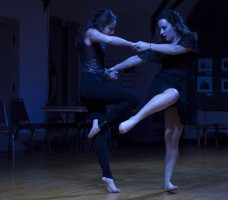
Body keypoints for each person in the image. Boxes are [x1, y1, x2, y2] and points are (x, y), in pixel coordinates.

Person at [109, 10, 199, 193]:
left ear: (175, 25)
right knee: (173, 94)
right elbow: (137, 58)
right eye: (160, 29)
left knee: (172, 138)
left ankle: (167, 182)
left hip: (184, 84)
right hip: (166, 83)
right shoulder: (160, 46)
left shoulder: (189, 38)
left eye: (165, 28)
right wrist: (114, 67)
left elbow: (175, 50)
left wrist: (149, 44)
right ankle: (135, 119)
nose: (162, 32)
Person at [76, 9, 139, 193]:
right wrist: (131, 44)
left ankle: (107, 176)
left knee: (100, 134)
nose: (112, 32)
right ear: (101, 25)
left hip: (94, 86)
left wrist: (107, 74)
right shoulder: (90, 32)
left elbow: (95, 68)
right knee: (132, 98)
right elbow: (110, 40)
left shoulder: (96, 39)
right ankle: (101, 123)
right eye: (110, 28)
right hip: (91, 88)